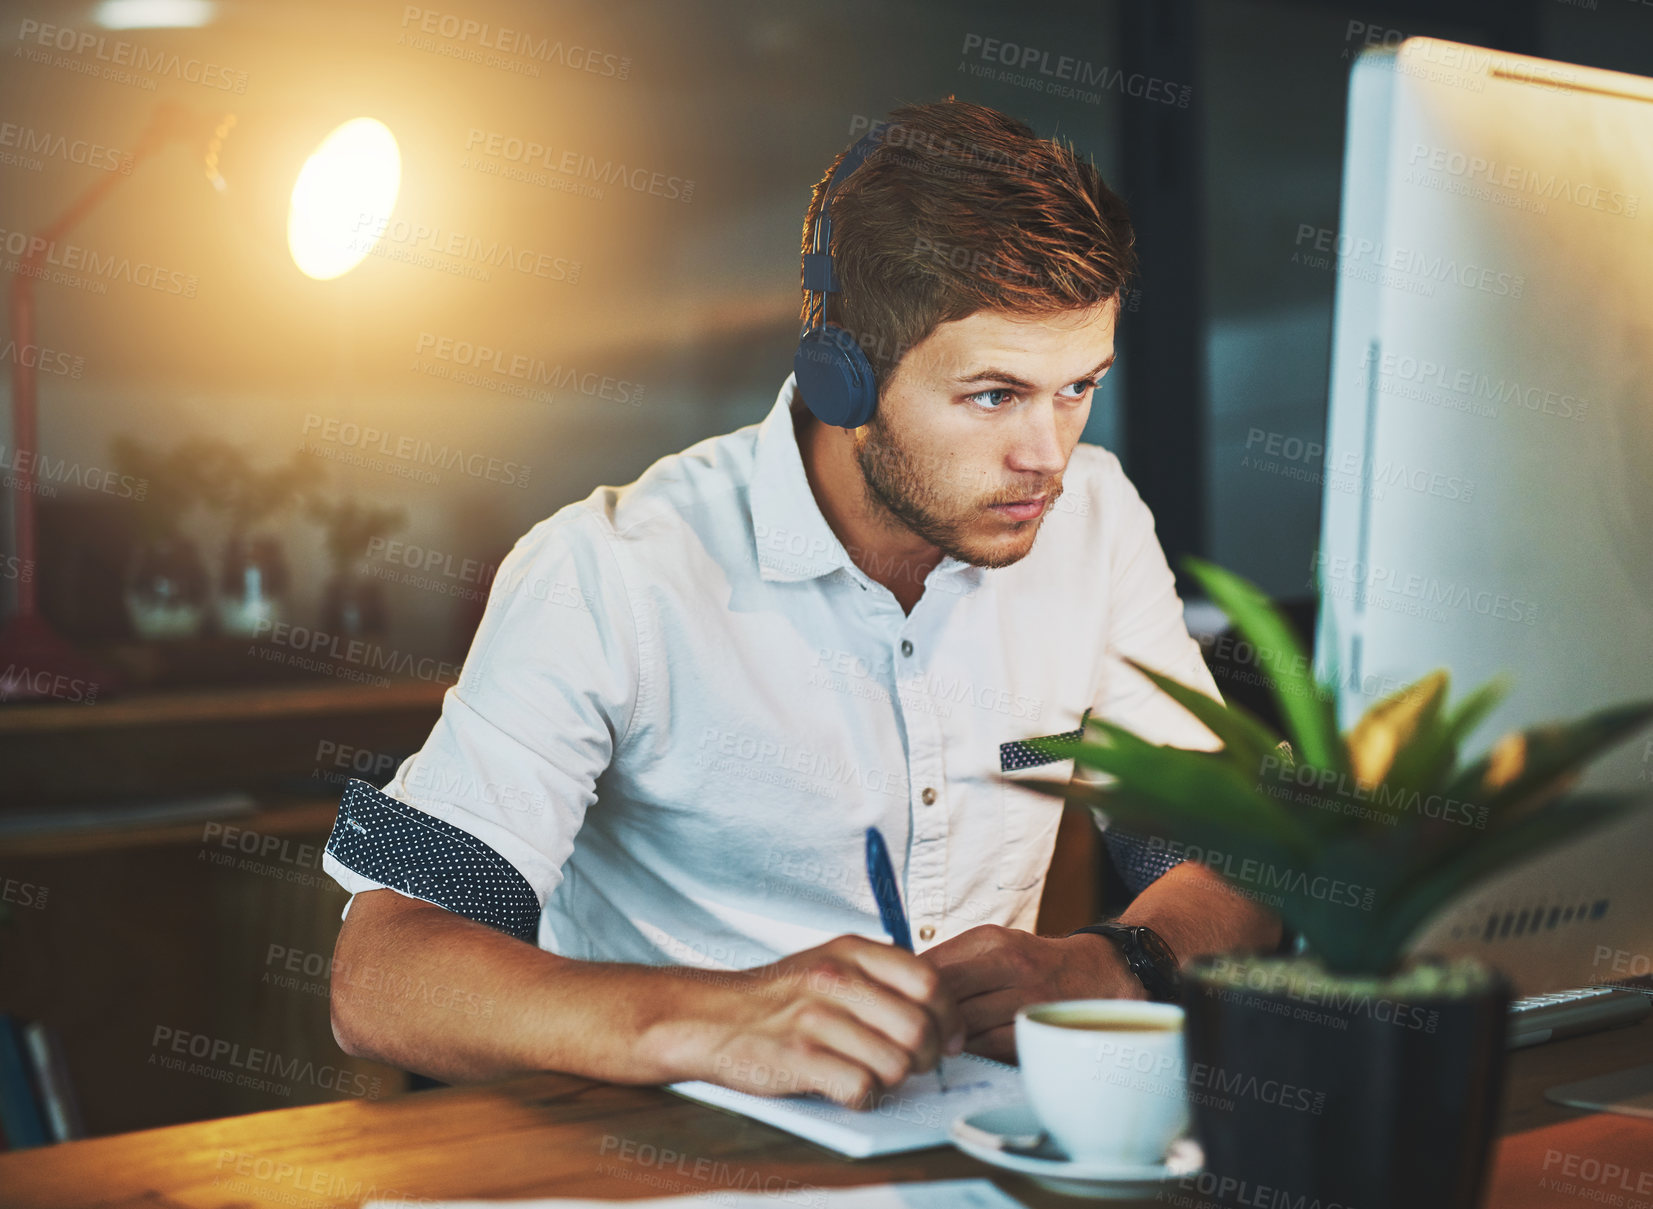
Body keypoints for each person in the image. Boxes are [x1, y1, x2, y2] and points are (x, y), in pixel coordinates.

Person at [324, 97, 1280, 1109]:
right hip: (663, 1166)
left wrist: (1115, 958)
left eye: (1077, 388)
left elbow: (1241, 862)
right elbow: (382, 979)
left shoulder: (1095, 521)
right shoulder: (611, 572)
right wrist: (717, 1019)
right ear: (844, 378)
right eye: (994, 396)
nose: (1047, 457)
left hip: (957, 1155)